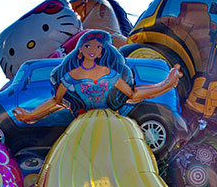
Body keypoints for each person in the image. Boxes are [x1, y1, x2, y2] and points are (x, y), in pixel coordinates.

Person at [13, 29, 181, 122]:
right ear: (80, 49)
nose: (93, 50)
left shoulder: (109, 73)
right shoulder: (72, 75)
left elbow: (132, 94)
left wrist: (166, 84)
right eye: (88, 46)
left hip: (113, 124)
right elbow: (56, 100)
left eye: (98, 47)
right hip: (83, 125)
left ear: (103, 51)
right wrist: (31, 114)